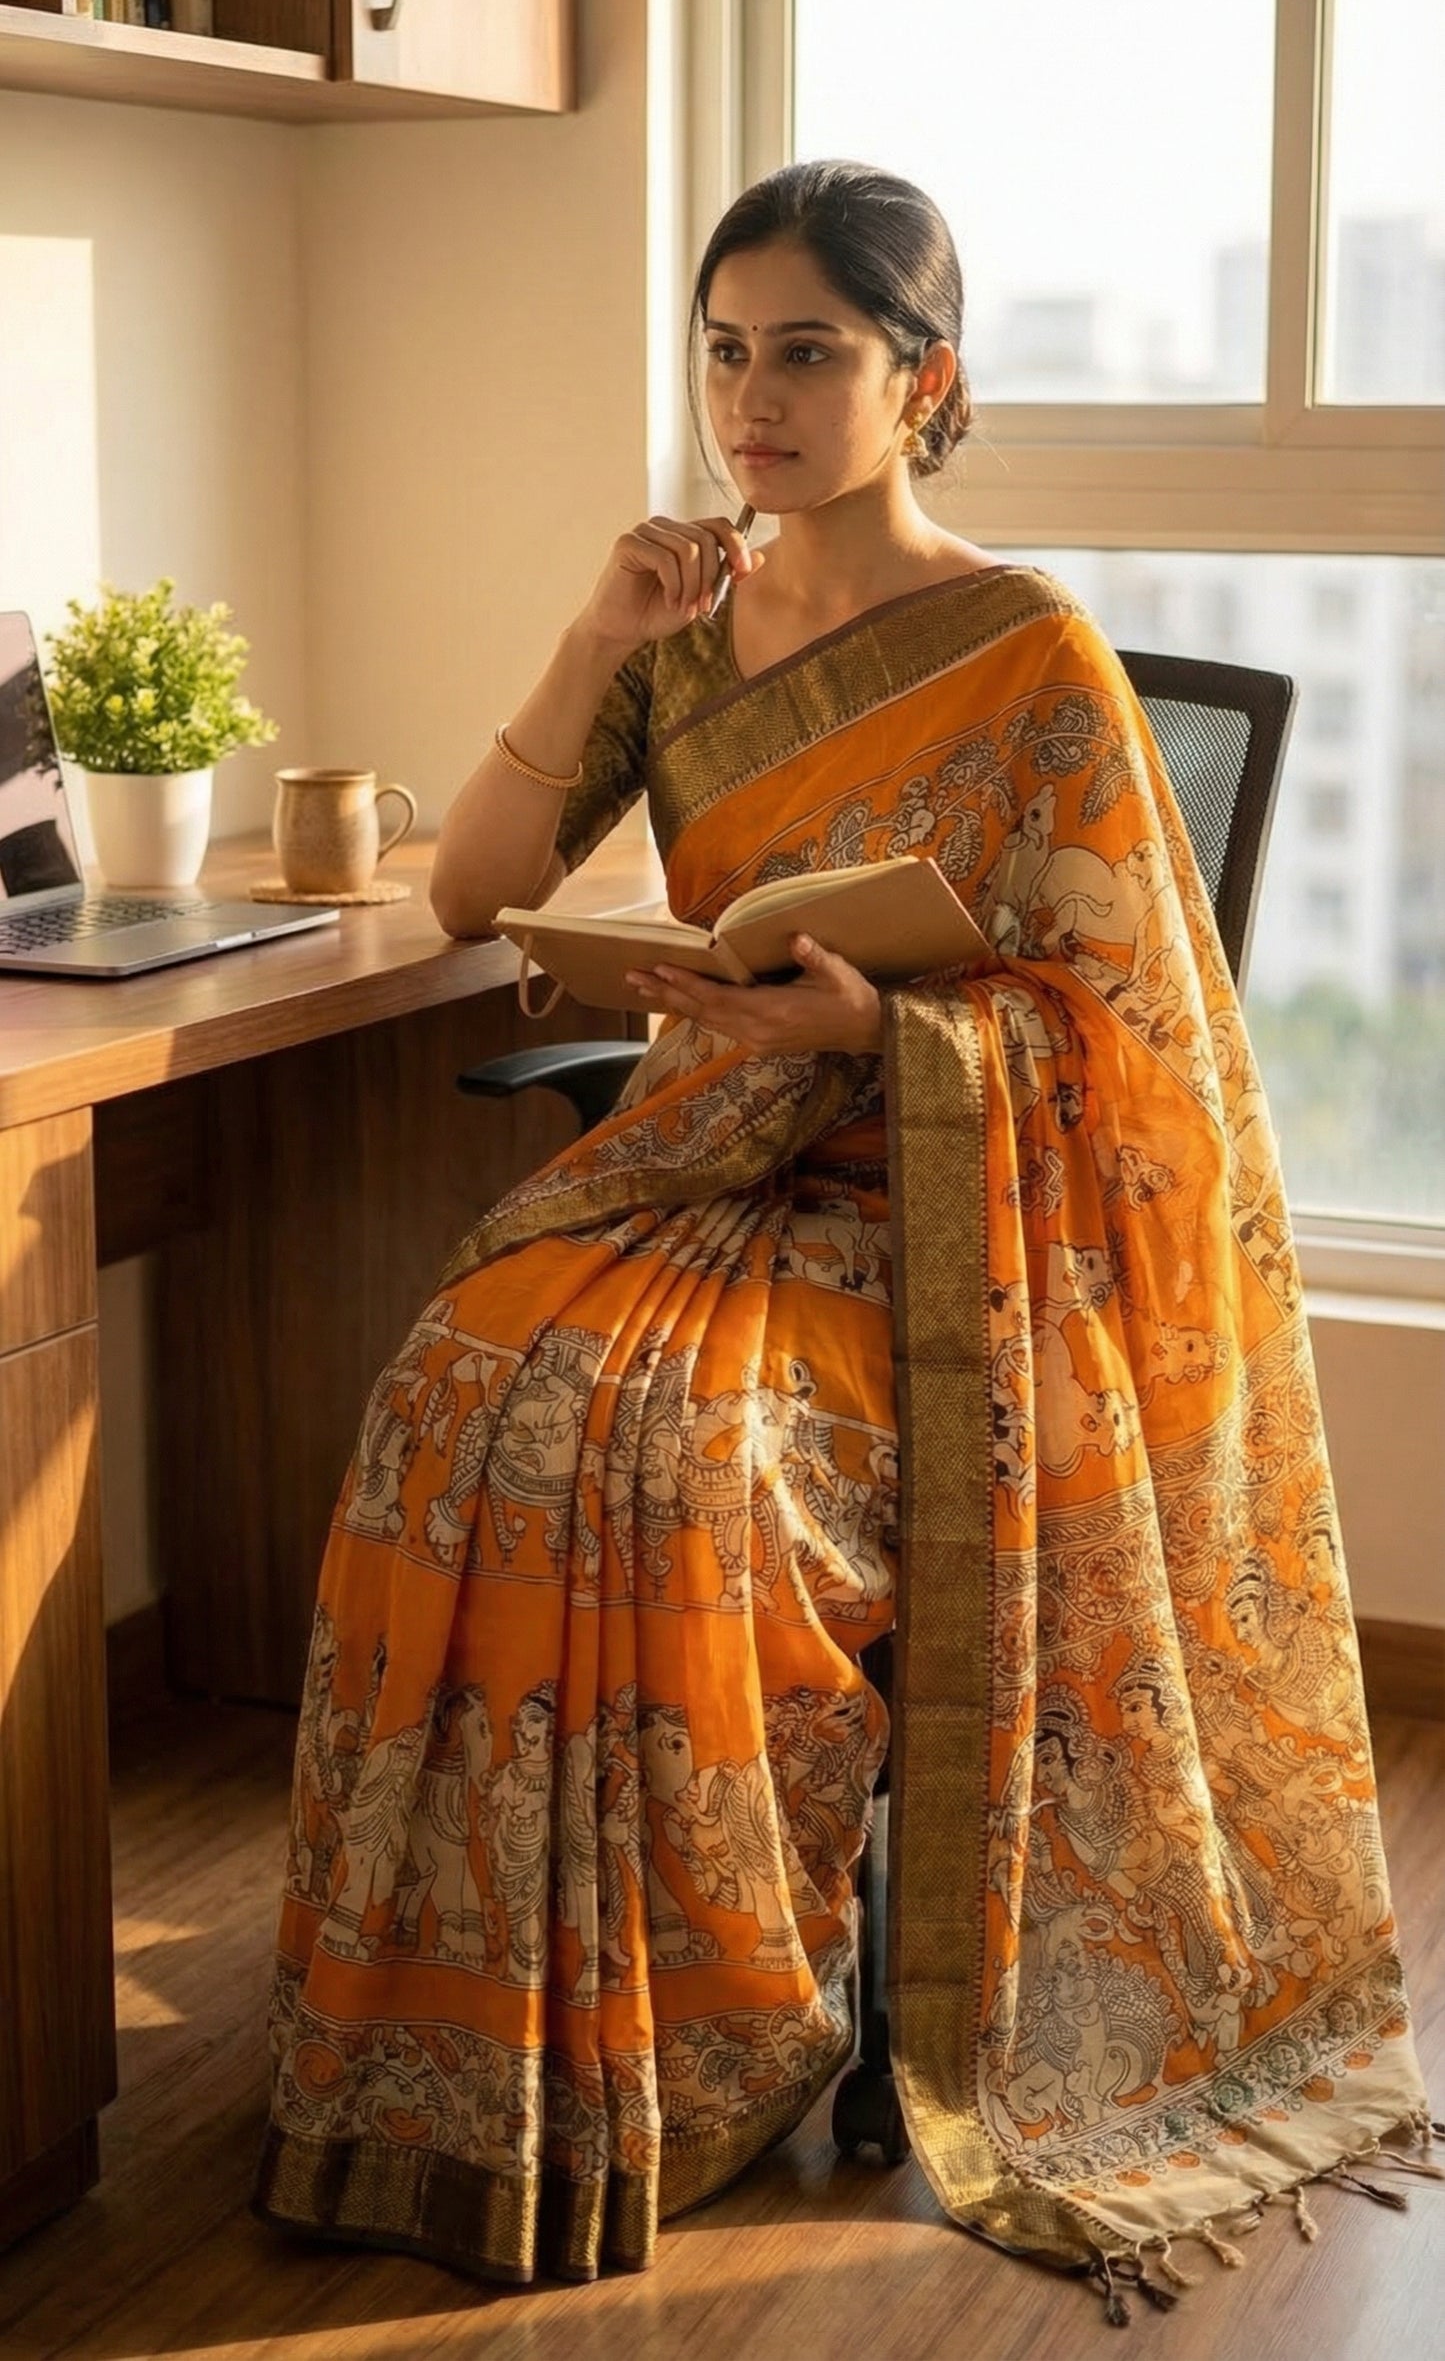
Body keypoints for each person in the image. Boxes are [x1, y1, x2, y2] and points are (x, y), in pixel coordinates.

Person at [251, 161, 1436, 2316]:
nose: (756, 396)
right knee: (460, 1398)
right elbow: (464, 890)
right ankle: (482, 2051)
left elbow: (1150, 1050)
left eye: (812, 349)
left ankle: (708, 2044)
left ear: (926, 380)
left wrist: (881, 1026)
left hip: (958, 1230)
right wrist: (592, 634)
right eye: (727, 346)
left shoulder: (1030, 649)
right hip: (700, 1166)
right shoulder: (681, 642)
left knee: (681, 1465)